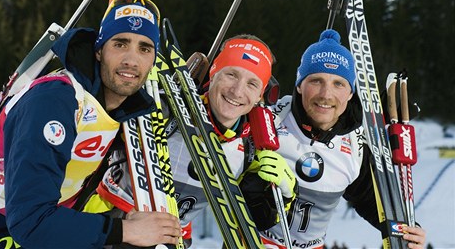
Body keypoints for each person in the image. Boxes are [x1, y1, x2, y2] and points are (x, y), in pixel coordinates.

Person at [0, 0, 181, 249]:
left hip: (31, 233)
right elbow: (31, 222)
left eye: (144, 48)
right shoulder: (56, 101)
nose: (131, 60)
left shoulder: (123, 112)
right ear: (100, 51)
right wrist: (125, 230)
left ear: (153, 59)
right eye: (120, 44)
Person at [86, 34, 299, 247]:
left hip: (172, 238)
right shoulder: (164, 106)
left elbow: (255, 218)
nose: (237, 91)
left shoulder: (251, 146)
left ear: (260, 96)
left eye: (252, 84)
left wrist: (283, 194)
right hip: (110, 219)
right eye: (231, 75)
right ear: (213, 74)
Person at [241, 29, 427, 249]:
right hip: (250, 242)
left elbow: (369, 200)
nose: (326, 94)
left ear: (350, 94)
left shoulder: (356, 143)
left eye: (339, 84)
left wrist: (408, 231)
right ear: (300, 85)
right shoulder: (268, 117)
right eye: (316, 80)